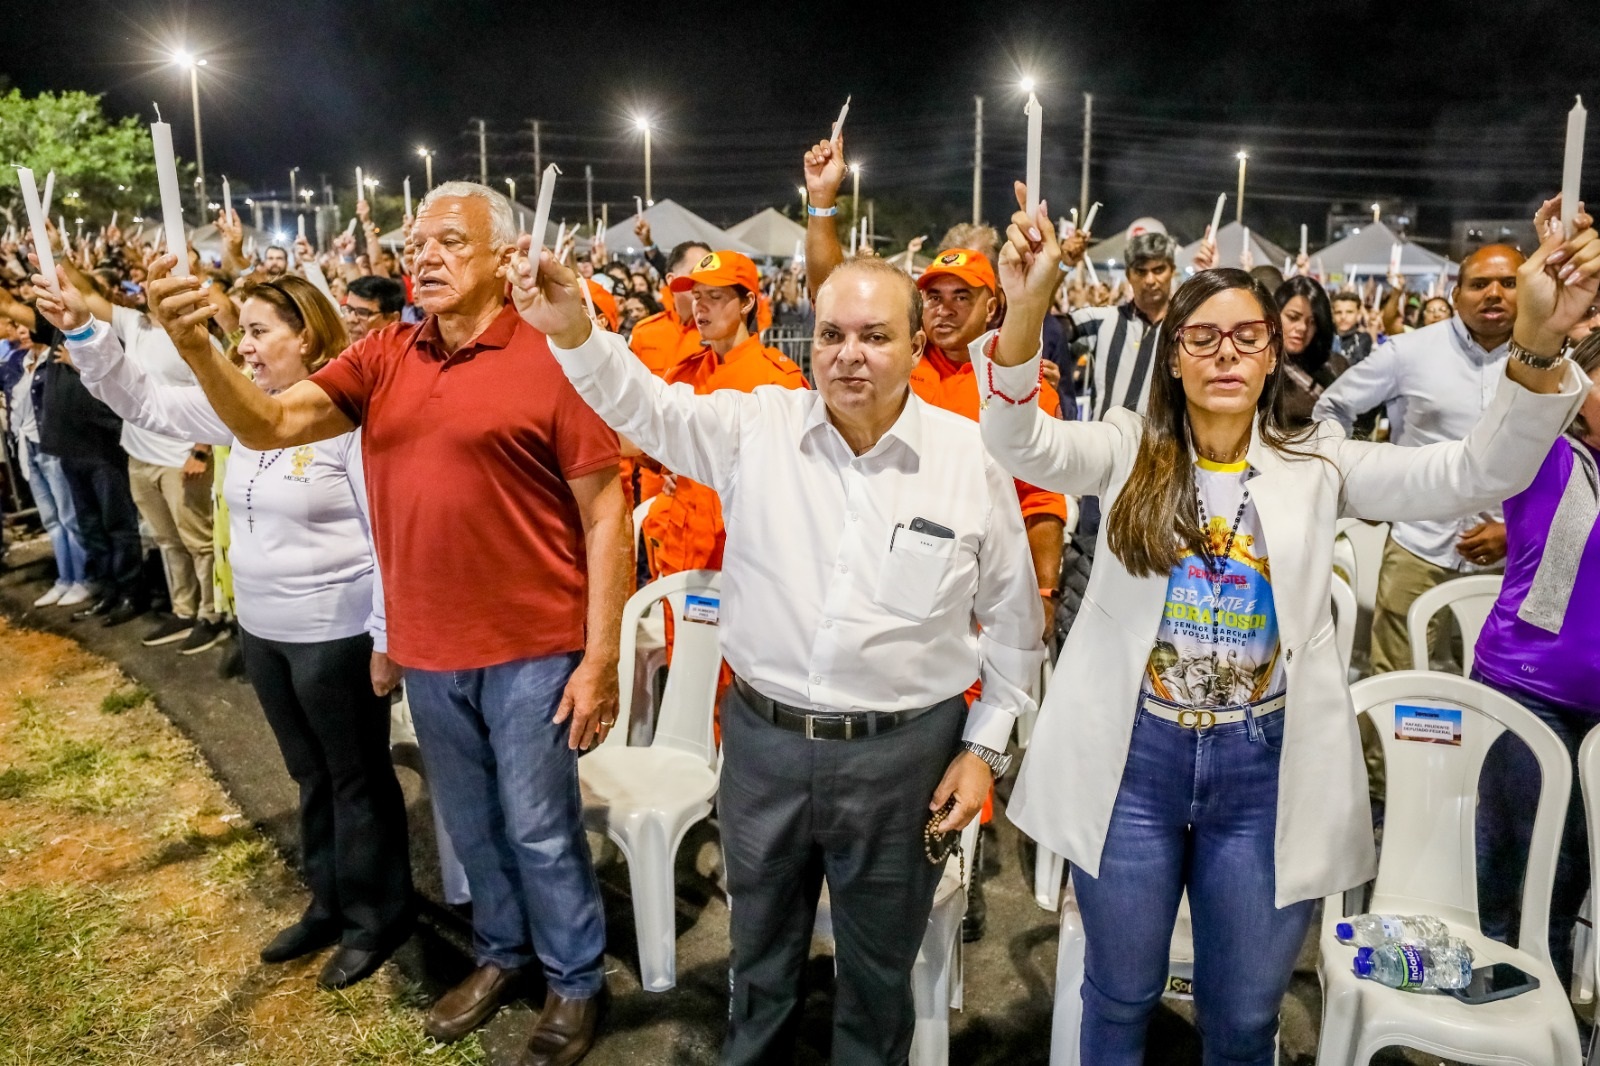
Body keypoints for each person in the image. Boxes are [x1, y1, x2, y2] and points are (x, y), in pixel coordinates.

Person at [980, 187, 1597, 1065]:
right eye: (1202, 337)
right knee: (1116, 1000)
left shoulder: (1320, 464)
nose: (1225, 353)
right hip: (1134, 767)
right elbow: (1017, 442)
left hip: (1261, 775)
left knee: (1242, 1022)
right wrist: (1030, 301)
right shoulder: (1125, 448)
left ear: (1275, 354)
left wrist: (1538, 344)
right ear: (1175, 358)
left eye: (1248, 336)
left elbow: (1474, 471)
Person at [514, 236, 1043, 1064]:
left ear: (915, 344)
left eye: (874, 336)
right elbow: (644, 407)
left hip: (902, 759)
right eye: (832, 335)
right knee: (757, 955)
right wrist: (573, 331)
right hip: (764, 746)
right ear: (810, 340)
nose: (849, 356)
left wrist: (983, 751)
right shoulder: (756, 425)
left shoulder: (967, 458)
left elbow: (1015, 627)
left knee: (877, 974)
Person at [142, 181, 631, 1066]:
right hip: (431, 646)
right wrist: (200, 347)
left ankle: (573, 980)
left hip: (533, 648)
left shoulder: (559, 354)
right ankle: (500, 954)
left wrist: (601, 657)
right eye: (416, 244)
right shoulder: (385, 355)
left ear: (501, 258)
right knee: (472, 822)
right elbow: (270, 422)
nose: (425, 257)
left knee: (539, 826)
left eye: (449, 241)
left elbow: (606, 513)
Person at [37, 268, 414, 990]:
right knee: (308, 774)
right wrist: (84, 331)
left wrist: (387, 634)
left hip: (335, 628)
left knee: (356, 778)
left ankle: (378, 918)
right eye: (240, 331)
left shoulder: (344, 415)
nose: (244, 347)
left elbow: (386, 530)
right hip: (264, 627)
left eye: (260, 331)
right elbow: (140, 399)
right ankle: (328, 902)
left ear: (306, 335)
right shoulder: (241, 410)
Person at [1314, 244, 1523, 673]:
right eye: (1480, 284)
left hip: (1515, 554)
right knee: (1397, 682)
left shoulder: (1549, 362)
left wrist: (1517, 529)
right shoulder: (1410, 352)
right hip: (1419, 546)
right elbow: (1333, 408)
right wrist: (1362, 484)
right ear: (1455, 293)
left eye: (1509, 283)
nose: (1494, 294)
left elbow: (1567, 462)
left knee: (1500, 688)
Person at [1472, 328, 1600, 991]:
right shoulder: (1541, 449)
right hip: (1527, 689)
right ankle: (1496, 1005)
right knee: (1514, 868)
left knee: (1573, 871)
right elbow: (1527, 385)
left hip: (1594, 706)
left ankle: (1541, 1010)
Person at [50, 260, 223, 653]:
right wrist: (55, 251)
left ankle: (211, 616)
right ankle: (184, 610)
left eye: (161, 284)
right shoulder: (136, 325)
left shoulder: (198, 339)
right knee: (166, 540)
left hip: (181, 461)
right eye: (149, 284)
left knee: (198, 541)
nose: (152, 290)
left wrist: (199, 451)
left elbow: (218, 398)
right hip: (139, 457)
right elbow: (87, 296)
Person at [639, 250, 807, 579]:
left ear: (746, 303)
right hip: (686, 551)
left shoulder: (778, 380)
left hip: (750, 555)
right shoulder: (684, 374)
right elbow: (651, 448)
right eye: (697, 296)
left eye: (715, 297)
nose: (701, 307)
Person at [7, 317, 91, 606]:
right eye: (15, 326)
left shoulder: (53, 359)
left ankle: (84, 579)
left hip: (51, 446)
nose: (22, 330)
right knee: (52, 520)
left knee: (69, 517)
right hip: (27, 447)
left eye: (25, 324)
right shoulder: (17, 363)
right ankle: (64, 579)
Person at [1273, 275, 1348, 426]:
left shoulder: (1336, 364)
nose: (1302, 328)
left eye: (1312, 321)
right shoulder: (1261, 368)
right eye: (1293, 317)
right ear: (1274, 314)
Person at [341, 275, 405, 344]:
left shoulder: (409, 353)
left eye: (362, 312)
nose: (350, 319)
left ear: (393, 319)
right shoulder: (340, 351)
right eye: (349, 309)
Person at [1330, 290, 1374, 365]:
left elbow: (1358, 362)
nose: (1343, 317)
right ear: (1332, 315)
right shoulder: (1325, 338)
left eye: (1349, 312)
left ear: (1359, 314)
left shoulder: (1363, 338)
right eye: (1338, 312)